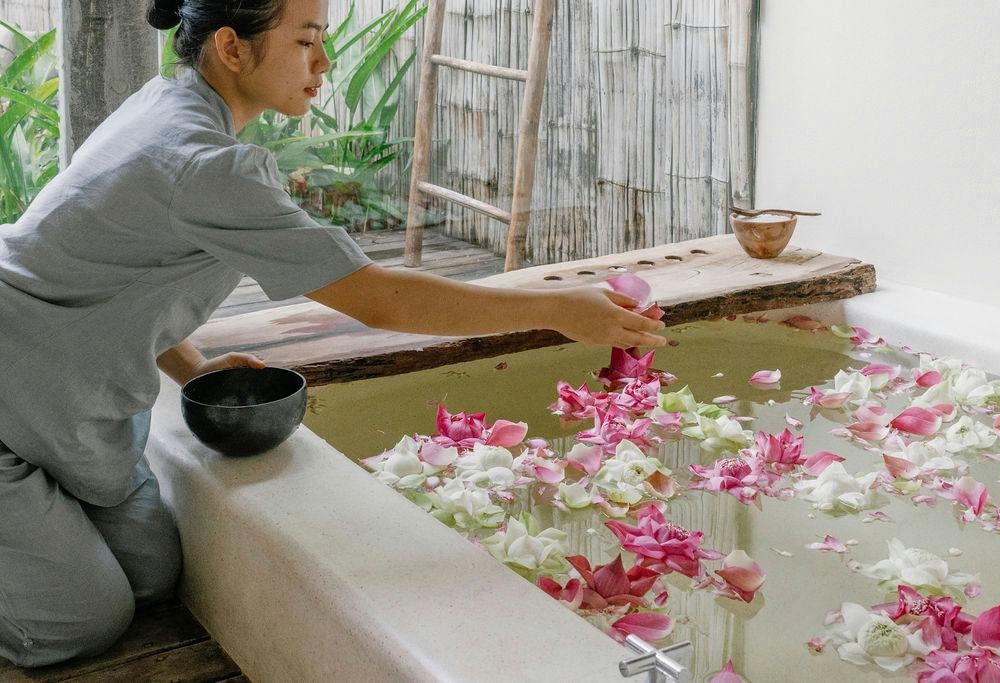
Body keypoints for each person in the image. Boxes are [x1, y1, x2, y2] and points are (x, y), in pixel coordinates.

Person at [0, 0, 665, 668]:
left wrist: (193, 367)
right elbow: (377, 297)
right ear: (232, 47)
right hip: (13, 389)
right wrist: (551, 308)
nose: (325, 63)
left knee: (149, 574)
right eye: (306, 41)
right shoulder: (205, 161)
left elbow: (111, 277)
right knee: (80, 623)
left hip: (54, 392)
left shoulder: (166, 106)